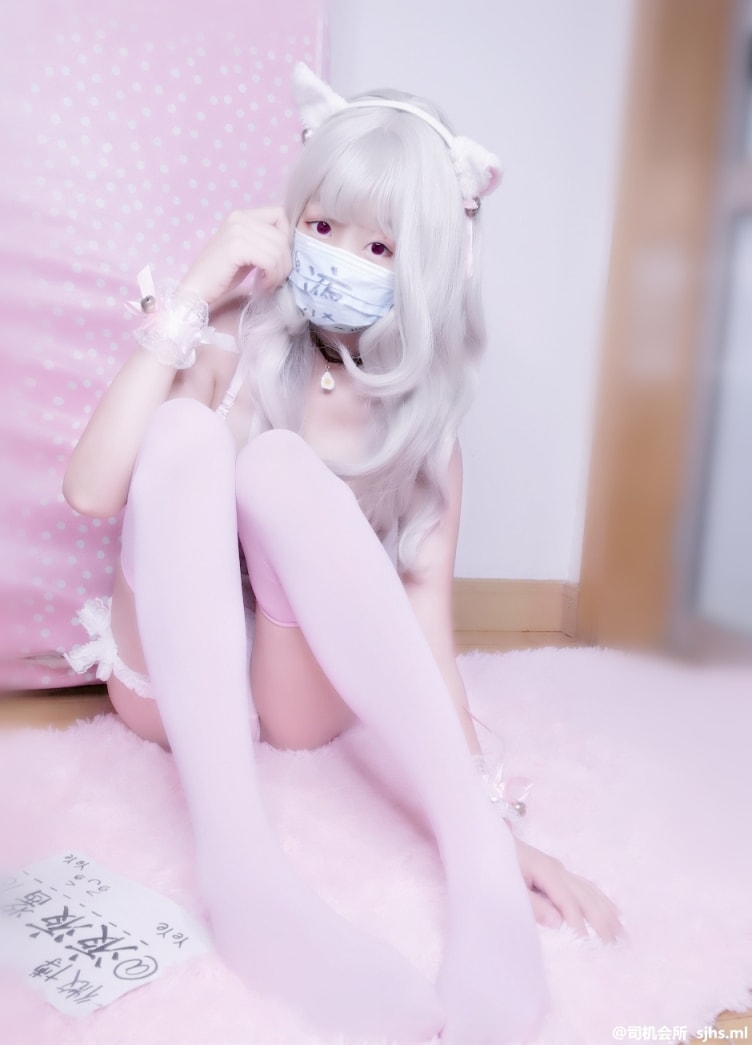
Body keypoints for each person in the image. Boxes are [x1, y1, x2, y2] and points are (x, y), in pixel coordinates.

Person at [63, 63, 621, 1043]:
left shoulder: (422, 429)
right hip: (169, 683)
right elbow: (91, 490)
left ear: (425, 266)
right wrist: (197, 287)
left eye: (378, 245)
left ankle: (476, 869)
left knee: (279, 468)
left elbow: (425, 629)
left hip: (290, 701)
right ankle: (241, 869)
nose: (339, 256)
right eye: (322, 225)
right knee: (187, 434)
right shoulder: (230, 339)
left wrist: (492, 824)